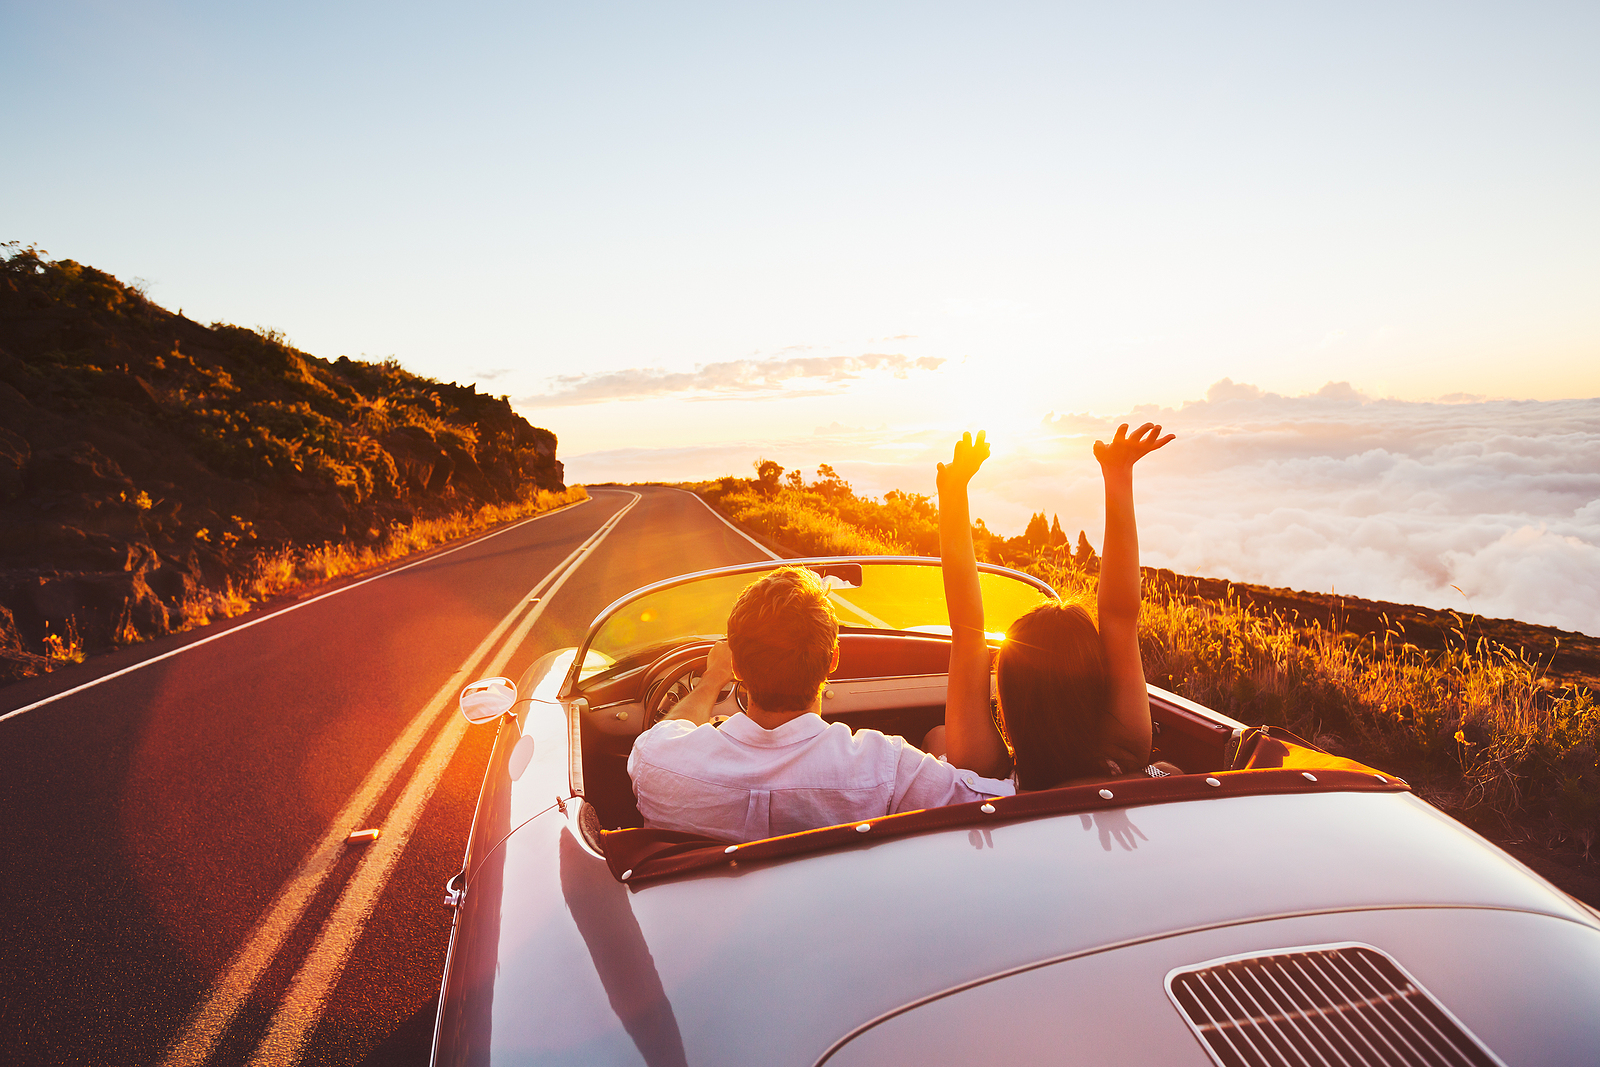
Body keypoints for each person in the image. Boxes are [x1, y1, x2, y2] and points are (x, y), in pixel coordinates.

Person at [627, 565, 1014, 841]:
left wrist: (712, 678)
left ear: (738, 667)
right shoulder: (886, 768)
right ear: (833, 660)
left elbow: (668, 731)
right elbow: (1001, 802)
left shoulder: (655, 761)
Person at [933, 424, 1176, 789]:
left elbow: (968, 632)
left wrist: (952, 494)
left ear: (1008, 699)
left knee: (936, 739)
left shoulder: (986, 771)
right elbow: (1119, 616)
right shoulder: (1126, 750)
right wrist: (1118, 475)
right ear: (1099, 685)